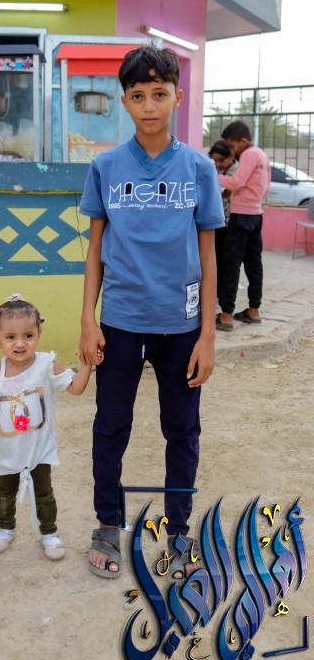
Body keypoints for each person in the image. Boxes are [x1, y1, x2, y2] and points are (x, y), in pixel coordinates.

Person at [78, 45, 224, 579]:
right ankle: (107, 524)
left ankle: (179, 531)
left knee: (181, 430)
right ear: (124, 101)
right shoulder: (105, 167)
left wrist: (207, 335)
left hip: (181, 328)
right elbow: (95, 248)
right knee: (110, 425)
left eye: (159, 94)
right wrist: (88, 318)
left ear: (177, 97)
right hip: (119, 321)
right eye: (137, 96)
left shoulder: (199, 169)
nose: (149, 106)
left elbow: (208, 255)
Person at [0, 294, 93, 561]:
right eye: (11, 337)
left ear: (39, 334)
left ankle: (49, 533)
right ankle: (5, 528)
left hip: (39, 450)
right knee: (5, 493)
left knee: (44, 494)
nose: (20, 343)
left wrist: (86, 365)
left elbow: (75, 388)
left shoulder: (46, 364)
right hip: (6, 452)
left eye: (28, 336)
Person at [216, 121, 270, 331]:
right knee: (254, 264)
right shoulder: (262, 155)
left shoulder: (248, 154)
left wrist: (214, 177)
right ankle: (253, 310)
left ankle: (226, 315)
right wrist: (234, 192)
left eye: (232, 145)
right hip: (256, 214)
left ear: (243, 141)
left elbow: (237, 181)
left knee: (231, 264)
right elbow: (262, 187)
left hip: (240, 217)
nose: (232, 150)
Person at [208, 139, 237, 306]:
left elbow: (229, 191)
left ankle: (223, 296)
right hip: (215, 222)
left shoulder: (237, 172)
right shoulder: (212, 168)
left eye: (221, 160)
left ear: (230, 157)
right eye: (215, 160)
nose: (218, 164)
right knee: (215, 258)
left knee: (227, 261)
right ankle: (215, 293)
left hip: (230, 222)